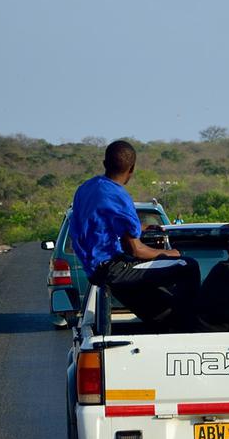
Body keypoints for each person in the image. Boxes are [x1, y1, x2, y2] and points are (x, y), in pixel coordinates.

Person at [69, 140, 199, 330]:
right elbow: (136, 250)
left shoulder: (86, 188)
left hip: (95, 270)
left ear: (105, 164)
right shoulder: (120, 197)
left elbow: (101, 224)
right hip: (114, 268)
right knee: (188, 265)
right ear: (132, 169)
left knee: (161, 310)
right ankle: (195, 323)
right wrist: (172, 254)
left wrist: (141, 228)